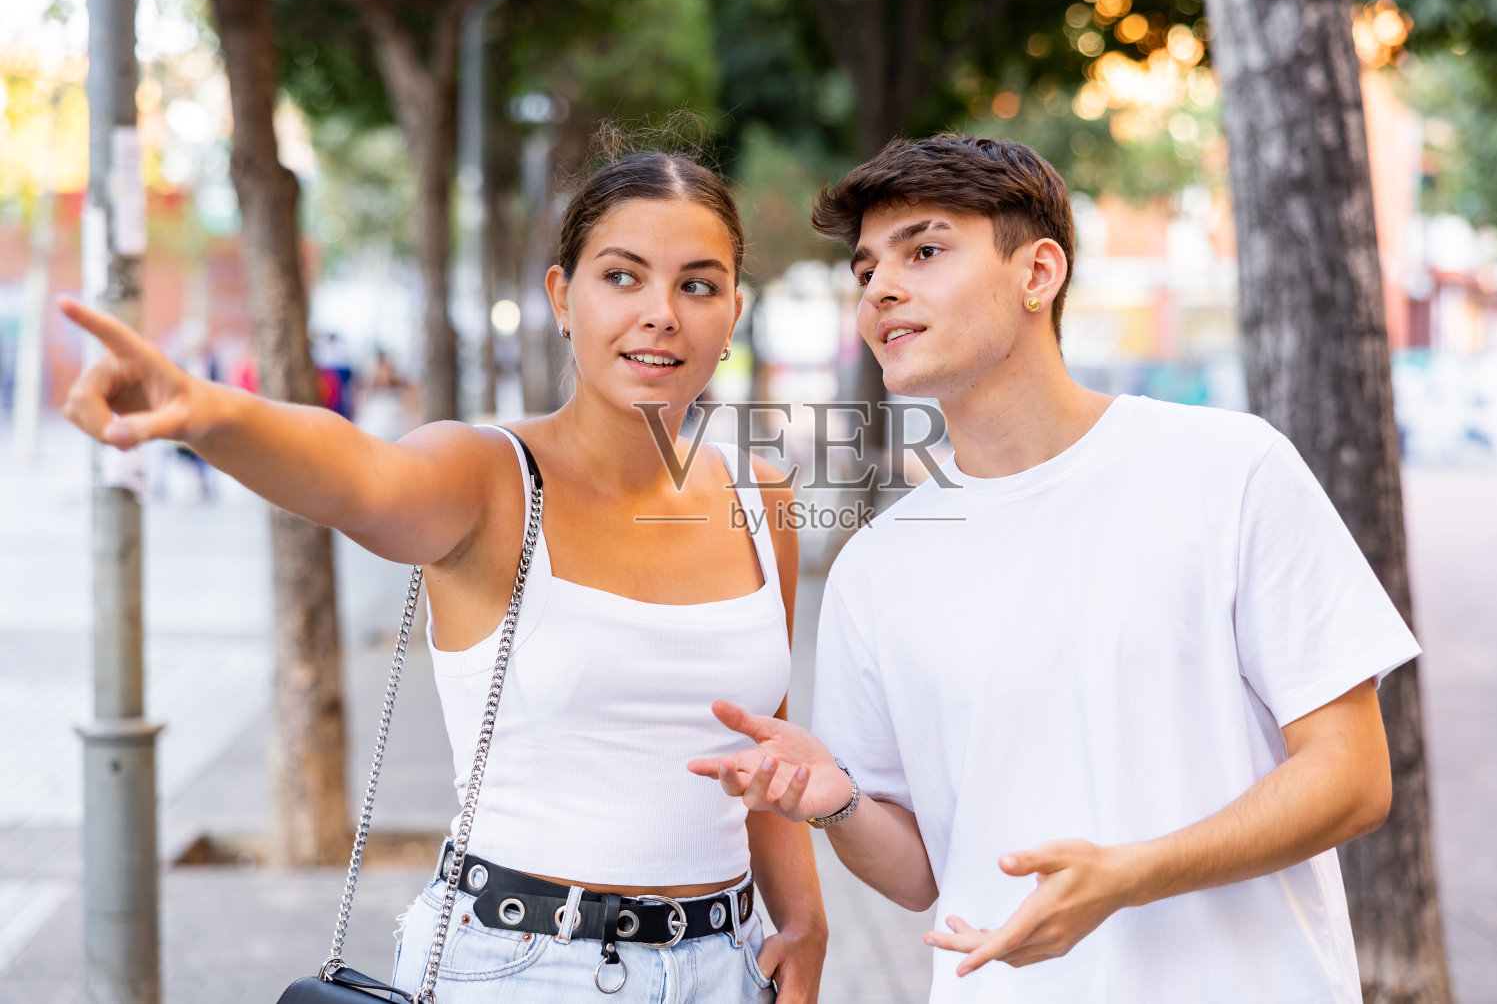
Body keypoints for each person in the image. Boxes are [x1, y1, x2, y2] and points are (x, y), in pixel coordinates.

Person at [60, 149, 826, 1003]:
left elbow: (768, 743)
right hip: (526, 966)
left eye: (697, 284)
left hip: (730, 963)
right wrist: (206, 411)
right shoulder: (489, 476)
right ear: (561, 298)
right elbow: (358, 475)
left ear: (732, 313)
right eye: (623, 276)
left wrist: (804, 920)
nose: (661, 314)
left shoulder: (760, 496)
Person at [689, 134, 1419, 1003]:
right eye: (865, 269)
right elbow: (920, 872)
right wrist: (837, 798)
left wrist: (1131, 873)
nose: (881, 288)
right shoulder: (876, 568)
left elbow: (1352, 774)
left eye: (924, 251)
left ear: (1038, 274)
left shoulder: (1229, 469)